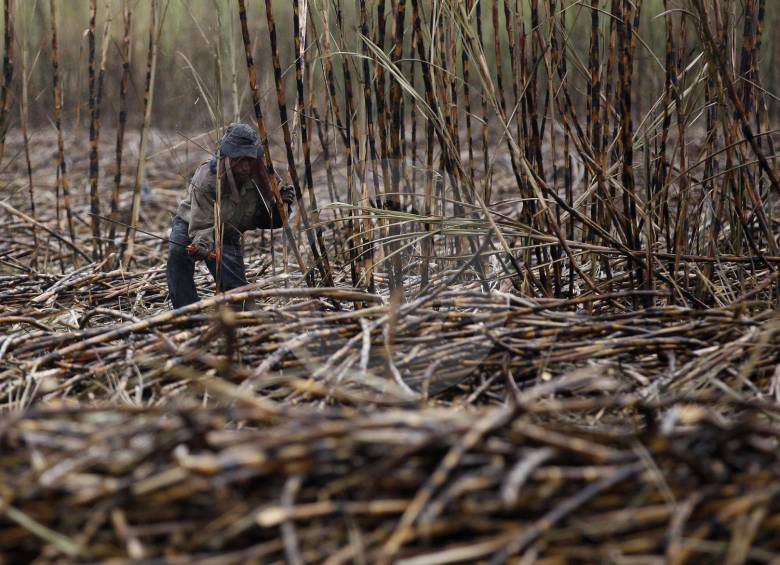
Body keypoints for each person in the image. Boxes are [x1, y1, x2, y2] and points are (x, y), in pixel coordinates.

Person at [166, 123, 295, 309]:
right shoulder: (207, 178)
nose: (244, 165)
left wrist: (283, 206)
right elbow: (202, 223)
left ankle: (239, 321)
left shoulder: (264, 176)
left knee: (240, 299)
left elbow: (268, 219)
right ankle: (186, 314)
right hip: (192, 225)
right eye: (238, 158)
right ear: (227, 156)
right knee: (178, 253)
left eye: (249, 159)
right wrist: (201, 246)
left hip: (229, 233)